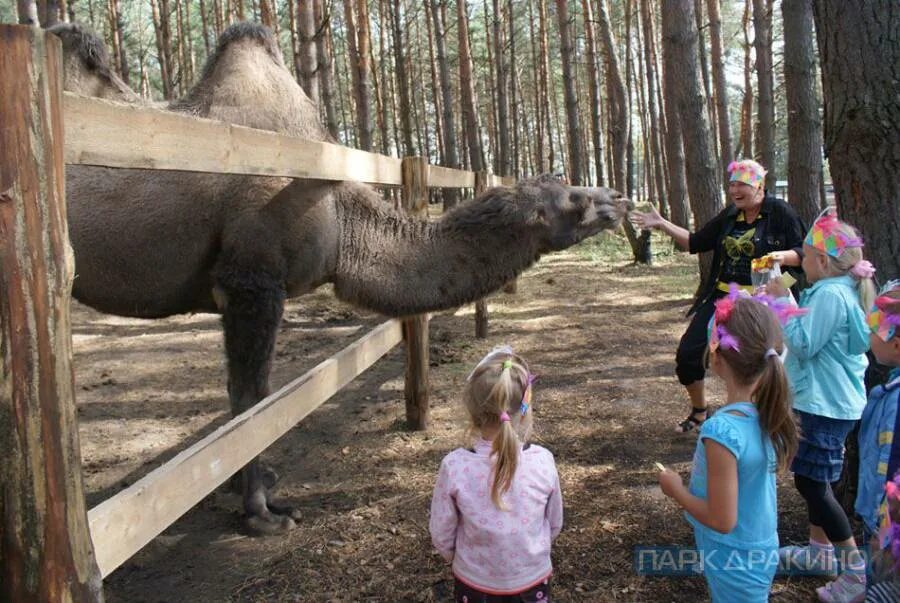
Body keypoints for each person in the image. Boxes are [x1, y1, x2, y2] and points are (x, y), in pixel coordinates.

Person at [632, 159, 806, 432]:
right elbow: (695, 241)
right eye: (732, 184)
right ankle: (700, 412)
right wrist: (661, 223)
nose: (735, 190)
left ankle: (763, 420)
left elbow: (803, 255)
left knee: (757, 363)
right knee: (689, 354)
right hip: (723, 299)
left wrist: (780, 259)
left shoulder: (780, 213)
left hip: (763, 303)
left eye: (741, 185)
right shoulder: (730, 216)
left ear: (759, 186)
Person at [658, 292, 800, 602]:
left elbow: (722, 521)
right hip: (757, 547)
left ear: (717, 357)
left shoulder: (721, 431)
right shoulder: (766, 411)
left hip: (733, 557)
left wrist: (676, 490)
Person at [767, 212, 877, 602]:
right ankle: (819, 553)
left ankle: (854, 571)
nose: (804, 263)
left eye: (808, 257)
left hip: (824, 406)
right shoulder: (840, 289)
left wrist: (782, 301)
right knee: (817, 479)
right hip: (829, 403)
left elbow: (803, 343)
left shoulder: (831, 294)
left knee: (812, 484)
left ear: (823, 262)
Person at [429, 346, 563, 602]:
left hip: (474, 583)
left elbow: (441, 533)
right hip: (531, 578)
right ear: (525, 407)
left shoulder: (454, 465)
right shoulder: (543, 461)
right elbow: (554, 523)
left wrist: (464, 560)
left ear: (472, 412)